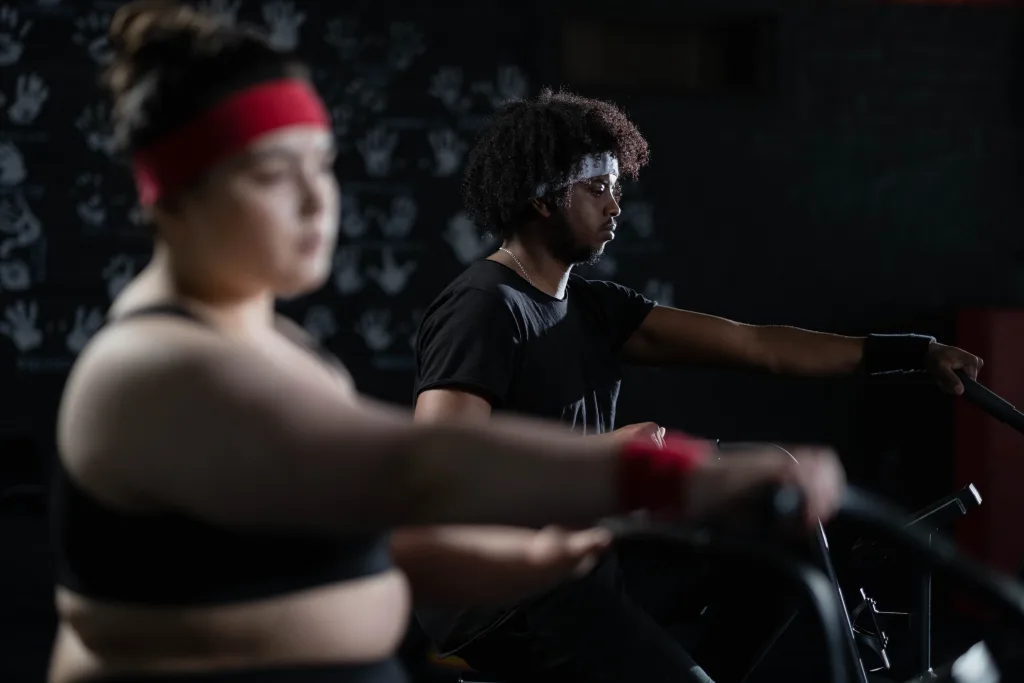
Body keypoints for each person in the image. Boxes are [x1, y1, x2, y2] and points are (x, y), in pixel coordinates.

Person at [47, 6, 849, 683]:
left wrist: (542, 560)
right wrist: (669, 474)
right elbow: (420, 465)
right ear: (174, 198)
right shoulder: (157, 368)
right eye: (271, 174)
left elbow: (385, 534)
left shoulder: (280, 347)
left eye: (321, 167)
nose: (315, 200)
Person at [406, 88, 985, 683]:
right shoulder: (484, 306)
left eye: (616, 188)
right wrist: (598, 456)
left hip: (584, 559)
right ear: (542, 197)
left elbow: (756, 345)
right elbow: (443, 469)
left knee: (781, 558)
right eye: (597, 188)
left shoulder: (592, 308)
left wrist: (913, 353)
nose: (615, 207)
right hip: (507, 589)